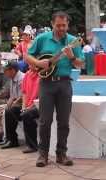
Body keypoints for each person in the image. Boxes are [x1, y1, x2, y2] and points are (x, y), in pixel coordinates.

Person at [26, 11, 84, 167]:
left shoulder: (73, 41)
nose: (61, 28)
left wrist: (71, 57)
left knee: (63, 121)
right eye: (58, 25)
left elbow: (81, 64)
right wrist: (38, 64)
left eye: (64, 25)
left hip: (65, 83)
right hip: (46, 83)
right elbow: (28, 55)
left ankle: (61, 154)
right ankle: (43, 155)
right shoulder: (42, 39)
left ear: (68, 25)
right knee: (45, 121)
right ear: (52, 24)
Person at [19, 64, 40, 153]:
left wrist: (29, 107)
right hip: (28, 105)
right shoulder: (27, 74)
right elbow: (24, 92)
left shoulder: (42, 75)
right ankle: (11, 140)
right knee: (10, 111)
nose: (30, 65)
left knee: (26, 115)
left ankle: (32, 145)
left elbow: (41, 97)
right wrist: (24, 106)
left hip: (38, 105)